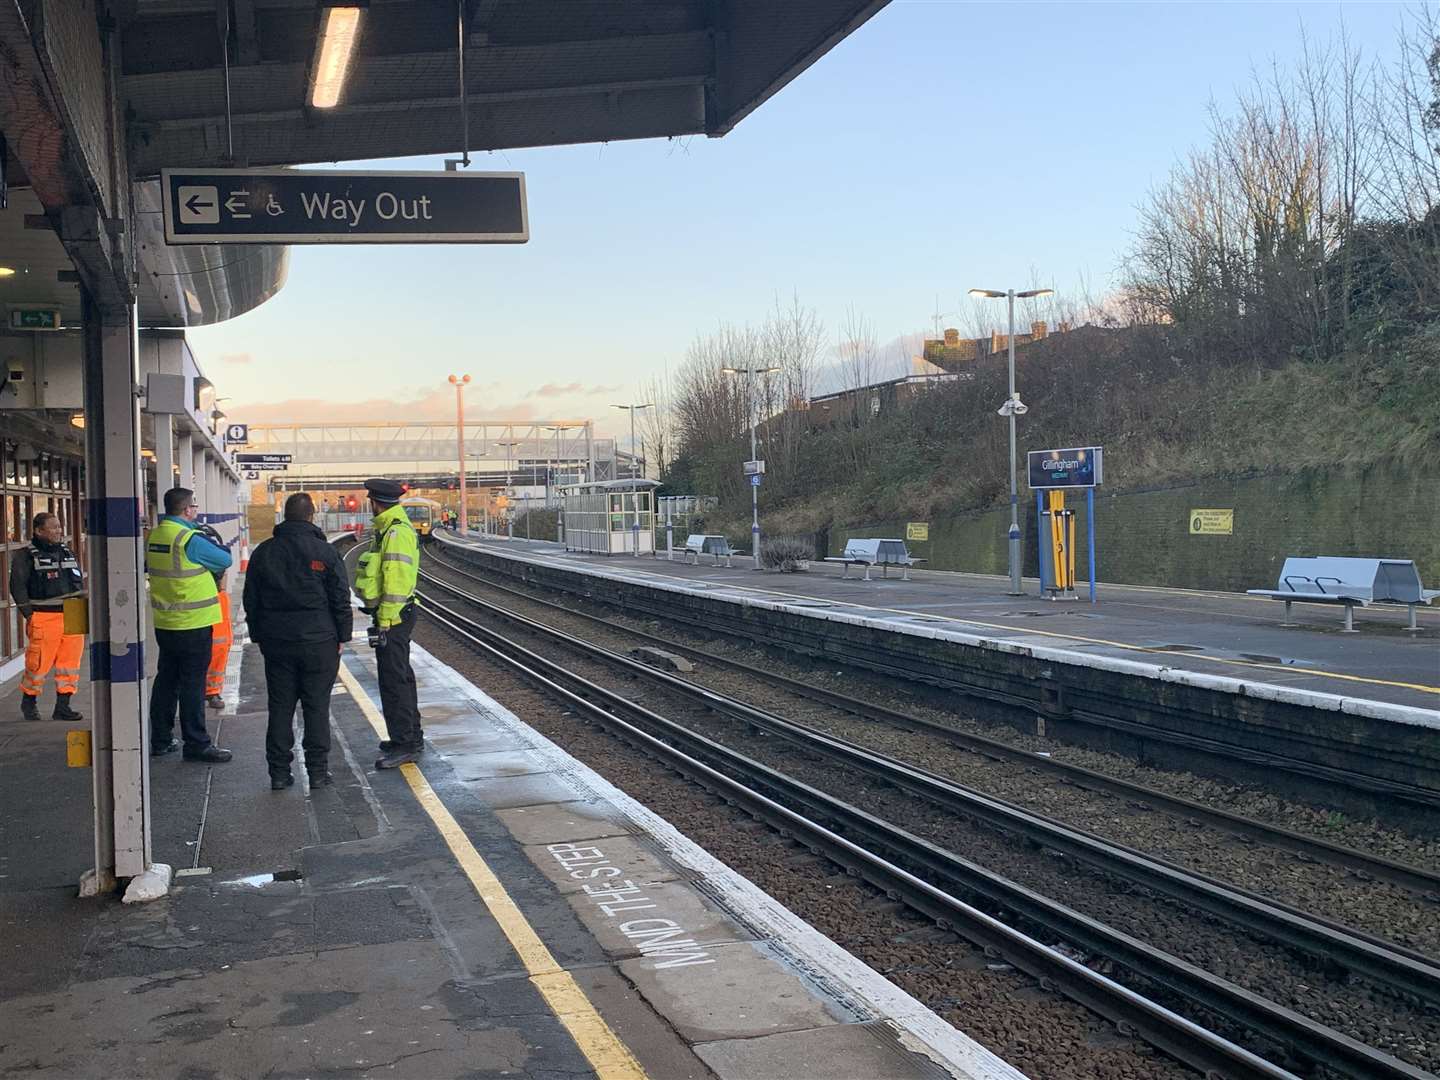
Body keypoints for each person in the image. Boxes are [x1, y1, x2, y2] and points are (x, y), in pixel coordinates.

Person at [243, 492, 352, 790]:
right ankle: (318, 773)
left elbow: (250, 600)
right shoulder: (325, 552)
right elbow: (341, 598)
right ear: (311, 516)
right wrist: (343, 635)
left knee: (280, 706)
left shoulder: (264, 552)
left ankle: (279, 773)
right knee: (317, 706)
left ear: (284, 516)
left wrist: (259, 635)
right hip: (320, 641)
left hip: (277, 642)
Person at [147, 487, 233, 763]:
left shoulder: (157, 534)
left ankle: (160, 739)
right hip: (193, 623)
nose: (195, 511)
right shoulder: (189, 538)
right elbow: (225, 559)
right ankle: (196, 743)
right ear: (187, 510)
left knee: (166, 680)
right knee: (193, 685)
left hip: (166, 622)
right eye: (193, 507)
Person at [353, 478, 422, 768]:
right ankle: (408, 736)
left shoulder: (394, 533)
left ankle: (405, 744)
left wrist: (384, 620)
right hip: (395, 615)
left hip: (393, 617)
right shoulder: (389, 530)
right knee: (400, 677)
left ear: (374, 502)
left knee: (394, 682)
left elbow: (396, 582)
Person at [10, 512, 85, 722]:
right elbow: (17, 586)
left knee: (69, 664)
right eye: (53, 527)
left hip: (73, 613)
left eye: (59, 526)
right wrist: (29, 615)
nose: (58, 531)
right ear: (38, 531)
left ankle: (63, 706)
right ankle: (29, 702)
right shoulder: (25, 556)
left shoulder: (66, 551)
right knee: (38, 665)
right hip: (44, 616)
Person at [196, 523, 232, 711]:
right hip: (206, 601)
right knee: (217, 646)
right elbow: (225, 560)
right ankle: (210, 690)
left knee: (219, 646)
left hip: (210, 600)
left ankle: (211, 690)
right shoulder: (194, 544)